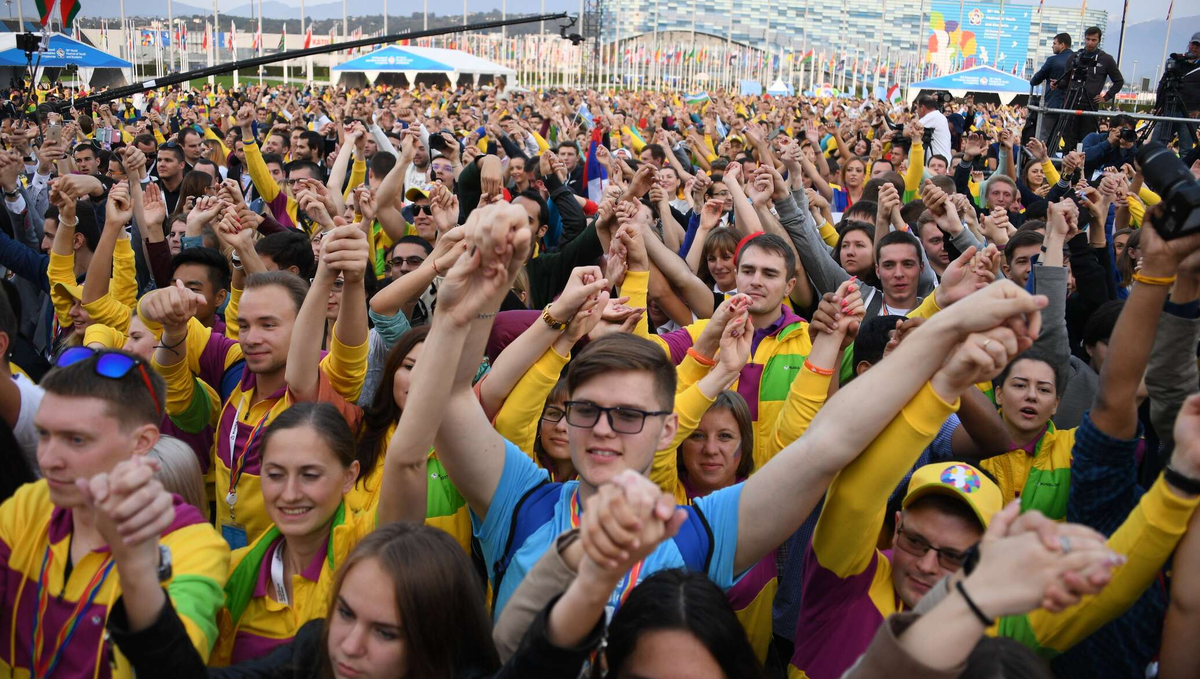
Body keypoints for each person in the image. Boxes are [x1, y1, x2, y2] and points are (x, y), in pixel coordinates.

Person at [0, 348, 230, 678]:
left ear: (142, 442)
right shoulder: (31, 503)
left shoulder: (194, 545)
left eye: (76, 439)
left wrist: (135, 562)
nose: (48, 459)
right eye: (43, 434)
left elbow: (175, 668)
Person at [1056, 27, 1124, 152]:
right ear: (1084, 38)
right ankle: (1066, 166)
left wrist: (1106, 97)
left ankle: (1081, 168)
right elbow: (1066, 81)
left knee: (1085, 142)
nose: (1090, 43)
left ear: (1099, 41)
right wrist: (1057, 84)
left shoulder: (1106, 59)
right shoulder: (1074, 58)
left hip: (1090, 106)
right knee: (1068, 140)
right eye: (1087, 39)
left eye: (1093, 40)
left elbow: (1119, 81)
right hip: (1071, 103)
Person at [916, 94, 953, 162]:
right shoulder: (939, 116)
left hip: (939, 164)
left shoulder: (933, 116)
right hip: (943, 162)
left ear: (922, 108)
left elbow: (908, 132)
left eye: (917, 108)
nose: (917, 112)